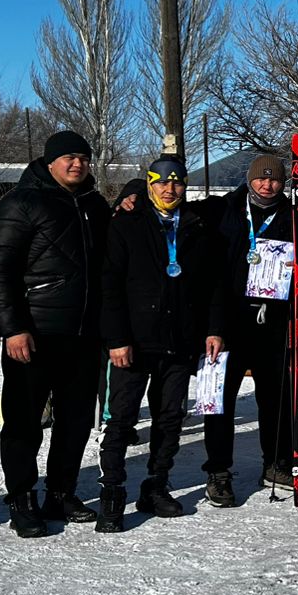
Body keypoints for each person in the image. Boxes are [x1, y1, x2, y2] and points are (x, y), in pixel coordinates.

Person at [0, 130, 112, 536]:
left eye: (83, 157)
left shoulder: (95, 204)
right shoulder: (21, 202)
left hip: (83, 333)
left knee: (76, 420)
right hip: (35, 332)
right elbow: (1, 270)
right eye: (68, 158)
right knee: (24, 421)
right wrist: (14, 328)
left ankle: (61, 492)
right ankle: (21, 498)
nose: (77, 164)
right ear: (50, 161)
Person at [97, 155, 225, 531]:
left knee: (170, 418)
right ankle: (112, 491)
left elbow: (213, 285)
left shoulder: (200, 226)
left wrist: (214, 328)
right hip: (134, 342)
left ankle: (155, 485)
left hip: (179, 339)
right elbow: (110, 285)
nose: (169, 190)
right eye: (161, 183)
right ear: (148, 184)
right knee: (120, 418)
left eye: (177, 183)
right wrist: (117, 339)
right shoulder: (126, 223)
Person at [192, 154, 298, 505]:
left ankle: (276, 462)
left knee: (275, 399)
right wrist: (132, 192)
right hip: (228, 322)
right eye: (261, 179)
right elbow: (172, 203)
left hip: (272, 322)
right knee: (220, 402)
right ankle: (219, 472)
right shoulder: (223, 208)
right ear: (250, 179)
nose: (267, 185)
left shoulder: (292, 217)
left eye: (274, 180)